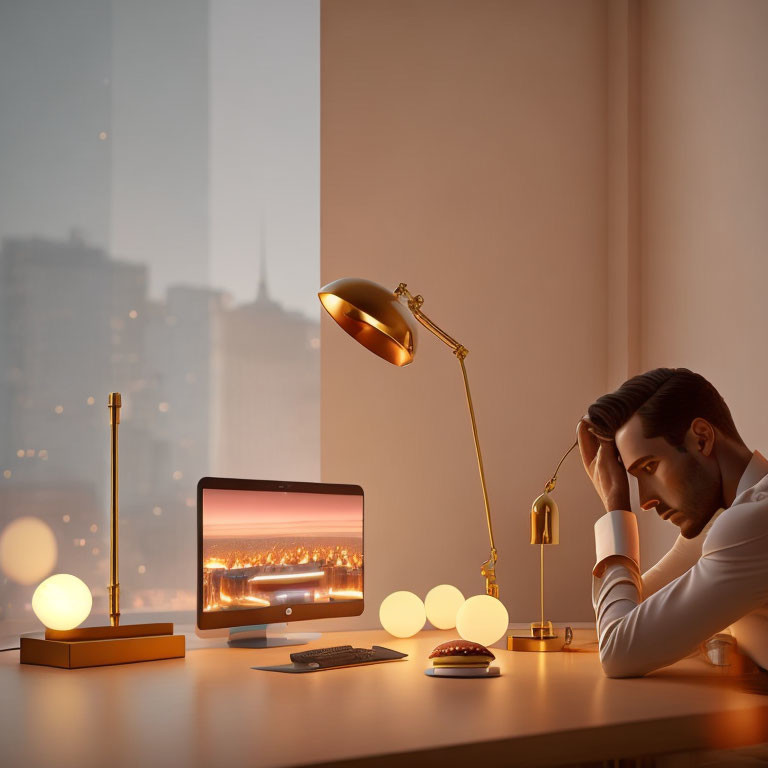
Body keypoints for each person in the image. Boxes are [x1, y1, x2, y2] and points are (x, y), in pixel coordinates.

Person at [578, 367, 768, 678]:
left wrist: (615, 508)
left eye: (650, 467)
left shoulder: (754, 522)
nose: (645, 500)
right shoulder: (725, 519)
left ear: (702, 439)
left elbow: (619, 651)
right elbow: (630, 616)